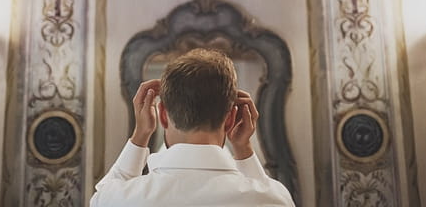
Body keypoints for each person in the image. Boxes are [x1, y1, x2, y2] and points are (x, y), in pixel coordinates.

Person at [90, 48, 295, 207]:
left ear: (162, 115)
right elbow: (266, 193)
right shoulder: (272, 199)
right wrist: (244, 149)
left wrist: (140, 135)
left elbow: (101, 195)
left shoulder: (120, 199)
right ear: (231, 119)